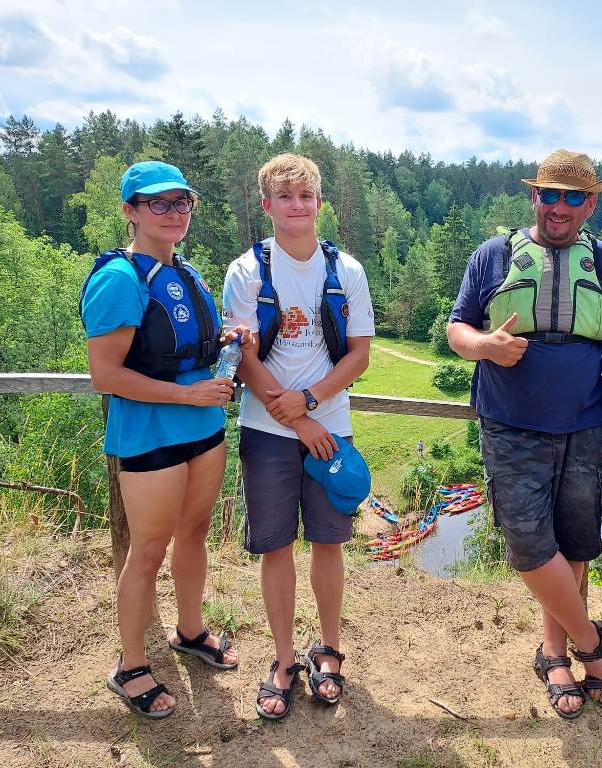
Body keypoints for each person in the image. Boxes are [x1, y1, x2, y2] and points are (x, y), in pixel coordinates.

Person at [447, 149, 602, 719]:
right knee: (528, 546)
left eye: (573, 197)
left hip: (584, 424)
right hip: (511, 424)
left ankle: (555, 654)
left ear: (590, 203)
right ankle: (592, 646)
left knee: (574, 544)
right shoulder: (493, 254)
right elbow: (456, 328)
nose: (559, 207)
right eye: (549, 194)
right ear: (533, 197)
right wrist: (484, 346)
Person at [81, 161, 248, 719]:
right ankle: (130, 666)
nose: (174, 213)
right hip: (151, 434)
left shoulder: (187, 272)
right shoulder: (118, 279)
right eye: (158, 203)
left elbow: (184, 343)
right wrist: (187, 395)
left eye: (182, 203)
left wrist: (224, 339)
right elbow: (105, 374)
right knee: (148, 552)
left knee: (195, 532)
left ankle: (190, 631)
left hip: (204, 429)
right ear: (130, 211)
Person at [222, 153, 375, 721]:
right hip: (267, 429)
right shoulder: (246, 272)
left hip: (329, 425)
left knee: (329, 542)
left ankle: (328, 650)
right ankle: (285, 659)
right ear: (266, 205)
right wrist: (299, 417)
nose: (297, 205)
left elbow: (359, 355)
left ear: (319, 203)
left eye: (306, 196)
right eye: (285, 197)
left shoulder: (347, 271)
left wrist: (310, 403)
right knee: (277, 546)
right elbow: (243, 357)